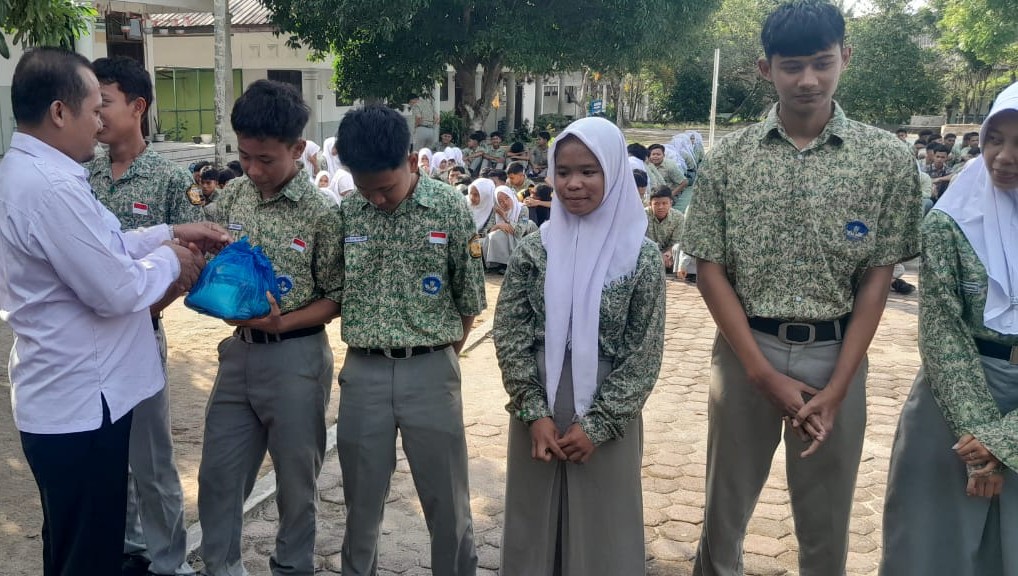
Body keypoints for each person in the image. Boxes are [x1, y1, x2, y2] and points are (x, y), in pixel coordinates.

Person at [680, 2, 923, 575]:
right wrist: (760, 373)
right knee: (724, 511)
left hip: (836, 355)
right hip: (746, 354)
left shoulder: (886, 159)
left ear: (845, 56)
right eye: (792, 66)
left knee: (826, 518)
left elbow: (877, 277)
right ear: (766, 69)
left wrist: (838, 387)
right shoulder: (730, 159)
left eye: (822, 62)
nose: (808, 79)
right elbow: (709, 267)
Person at [0, 47, 226, 576]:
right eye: (92, 108)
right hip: (79, 402)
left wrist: (169, 231)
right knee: (88, 553)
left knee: (72, 540)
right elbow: (115, 289)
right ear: (60, 112)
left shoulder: (30, 174)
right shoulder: (51, 188)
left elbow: (106, 244)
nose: (99, 121)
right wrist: (171, 261)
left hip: (69, 396)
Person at [494, 116, 666, 576]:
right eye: (563, 171)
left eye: (589, 171)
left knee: (602, 524)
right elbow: (510, 332)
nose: (573, 184)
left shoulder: (640, 255)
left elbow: (644, 351)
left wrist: (601, 424)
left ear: (612, 172)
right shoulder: (536, 248)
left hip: (609, 407)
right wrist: (534, 412)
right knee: (535, 519)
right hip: (538, 402)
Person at [196, 80, 343, 576]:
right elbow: (205, 246)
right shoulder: (234, 195)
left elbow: (334, 298)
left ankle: (293, 567)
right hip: (238, 354)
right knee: (218, 474)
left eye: (266, 160)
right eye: (245, 157)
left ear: (297, 149)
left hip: (296, 360)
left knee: (296, 482)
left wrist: (281, 323)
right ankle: (221, 566)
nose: (254, 170)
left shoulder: (322, 213)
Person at [334, 104, 486, 576]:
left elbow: (469, 300)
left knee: (449, 503)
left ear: (413, 162)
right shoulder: (346, 213)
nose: (376, 199)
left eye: (386, 188)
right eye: (365, 188)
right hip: (364, 373)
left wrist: (438, 359)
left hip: (432, 371)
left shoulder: (448, 208)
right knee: (360, 504)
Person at [881, 80, 1018, 576]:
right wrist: (980, 438)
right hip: (951, 407)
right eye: (994, 138)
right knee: (930, 549)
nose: (1002, 156)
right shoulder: (951, 223)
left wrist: (1006, 441)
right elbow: (941, 331)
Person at [85, 55, 202, 576]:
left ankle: (167, 560)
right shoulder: (80, 174)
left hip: (138, 334)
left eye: (103, 102)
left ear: (137, 107)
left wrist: (138, 309)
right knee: (102, 455)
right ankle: (126, 547)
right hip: (84, 342)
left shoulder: (169, 180)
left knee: (151, 459)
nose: (96, 114)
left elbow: (189, 262)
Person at [485, 185, 537, 272]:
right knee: (494, 235)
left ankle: (507, 263)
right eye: (500, 201)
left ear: (511, 196)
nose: (505, 203)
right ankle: (497, 263)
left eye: (507, 198)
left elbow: (519, 231)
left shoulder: (523, 209)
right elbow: (486, 231)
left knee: (504, 234)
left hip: (521, 239)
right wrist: (498, 226)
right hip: (503, 242)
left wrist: (506, 218)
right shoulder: (497, 211)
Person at [646, 186, 684, 273]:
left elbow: (677, 242)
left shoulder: (678, 217)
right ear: (650, 204)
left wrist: (668, 254)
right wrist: (659, 257)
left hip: (669, 256)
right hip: (648, 255)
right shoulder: (643, 216)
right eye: (656, 204)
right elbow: (639, 242)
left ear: (671, 203)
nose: (660, 207)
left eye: (664, 203)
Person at [648, 143, 689, 208]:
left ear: (663, 155)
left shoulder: (670, 166)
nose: (655, 157)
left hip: (666, 196)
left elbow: (684, 182)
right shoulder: (647, 165)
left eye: (658, 154)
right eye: (653, 154)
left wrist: (670, 195)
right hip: (652, 196)